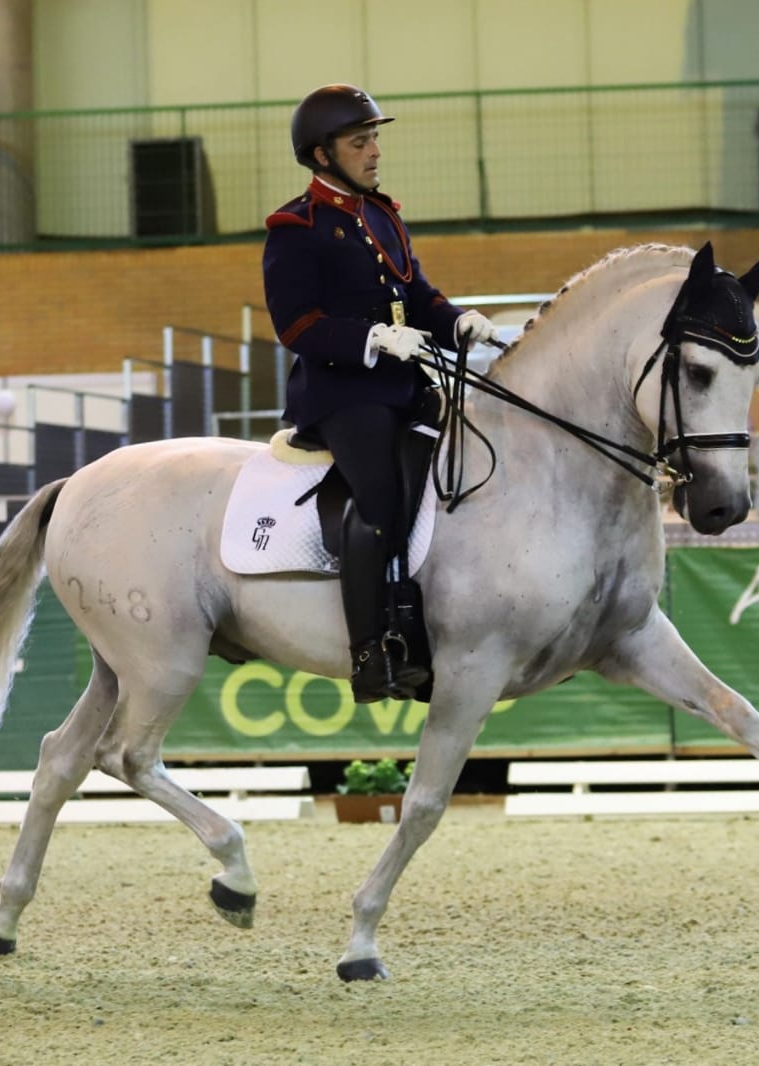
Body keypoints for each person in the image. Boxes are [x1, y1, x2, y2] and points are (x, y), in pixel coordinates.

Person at [262, 84, 499, 704]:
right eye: (359, 141)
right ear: (321, 156)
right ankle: (371, 651)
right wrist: (372, 338)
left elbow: (415, 291)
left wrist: (456, 320)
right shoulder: (296, 227)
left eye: (375, 139)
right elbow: (296, 325)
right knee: (380, 496)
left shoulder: (382, 215)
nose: (374, 151)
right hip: (342, 393)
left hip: (405, 384)